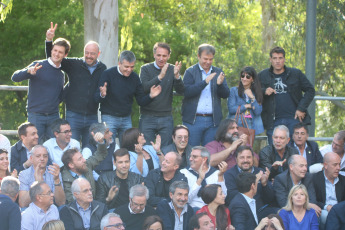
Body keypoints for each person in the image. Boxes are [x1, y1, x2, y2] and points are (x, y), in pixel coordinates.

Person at [46, 22, 107, 148]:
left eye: (92, 54)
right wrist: (49, 40)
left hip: (92, 116)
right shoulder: (74, 64)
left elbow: (99, 94)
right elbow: (53, 59)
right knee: (71, 148)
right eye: (87, 53)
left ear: (98, 54)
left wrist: (102, 95)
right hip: (73, 115)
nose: (89, 56)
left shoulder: (102, 68)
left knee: (90, 148)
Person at [12, 37, 71, 144]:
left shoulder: (61, 74)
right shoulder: (39, 65)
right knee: (35, 147)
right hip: (36, 115)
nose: (56, 54)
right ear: (51, 50)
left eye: (60, 52)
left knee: (53, 148)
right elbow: (15, 77)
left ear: (65, 55)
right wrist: (28, 72)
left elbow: (59, 97)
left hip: (53, 116)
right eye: (55, 50)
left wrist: (71, 83)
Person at [95, 50, 161, 145]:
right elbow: (96, 98)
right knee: (108, 146)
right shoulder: (108, 74)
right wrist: (102, 94)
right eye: (126, 67)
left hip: (126, 118)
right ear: (119, 63)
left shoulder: (134, 78)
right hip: (109, 117)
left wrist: (151, 96)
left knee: (129, 146)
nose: (129, 70)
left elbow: (141, 101)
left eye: (132, 67)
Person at [258, 46, 315, 144]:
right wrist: (264, 91)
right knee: (275, 151)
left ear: (284, 59)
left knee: (295, 152)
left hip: (294, 119)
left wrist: (301, 108)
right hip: (273, 121)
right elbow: (253, 91)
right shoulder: (263, 75)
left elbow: (310, 90)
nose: (277, 61)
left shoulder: (295, 73)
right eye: (275, 58)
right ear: (270, 59)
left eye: (280, 58)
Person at [182, 44, 230, 146]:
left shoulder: (218, 72)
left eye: (211, 59)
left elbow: (225, 94)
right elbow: (186, 92)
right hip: (193, 120)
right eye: (205, 59)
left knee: (210, 152)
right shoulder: (190, 71)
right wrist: (204, 82)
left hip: (213, 121)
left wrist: (220, 85)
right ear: (198, 56)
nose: (208, 62)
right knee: (192, 151)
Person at [139, 42, 184, 147]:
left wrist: (177, 76)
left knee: (166, 150)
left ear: (168, 56)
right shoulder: (145, 68)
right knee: (146, 149)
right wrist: (160, 76)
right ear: (154, 55)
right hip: (147, 117)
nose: (161, 58)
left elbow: (181, 90)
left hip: (166, 117)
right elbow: (144, 88)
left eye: (164, 56)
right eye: (158, 55)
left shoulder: (173, 69)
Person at [224, 146, 277, 220]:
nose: (245, 160)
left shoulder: (260, 172)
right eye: (242, 157)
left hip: (260, 211)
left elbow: (270, 199)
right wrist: (254, 182)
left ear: (253, 158)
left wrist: (264, 184)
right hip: (241, 211)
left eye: (248, 157)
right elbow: (231, 197)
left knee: (279, 212)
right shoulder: (229, 175)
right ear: (236, 159)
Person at [61, 131, 107, 204]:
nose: (84, 160)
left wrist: (101, 142)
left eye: (82, 157)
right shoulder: (64, 178)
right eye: (80, 159)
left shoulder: (86, 165)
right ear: (71, 165)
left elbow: (101, 154)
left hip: (94, 205)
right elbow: (71, 201)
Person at [227, 66, 264, 135]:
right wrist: (246, 106)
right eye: (242, 76)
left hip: (251, 125)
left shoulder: (256, 92)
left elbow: (258, 111)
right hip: (237, 125)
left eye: (248, 77)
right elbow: (231, 109)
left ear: (252, 79)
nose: (244, 78)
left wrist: (252, 97)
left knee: (248, 146)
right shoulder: (234, 91)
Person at [312, 152, 345, 229]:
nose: (338, 168)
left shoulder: (343, 180)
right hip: (324, 210)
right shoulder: (315, 179)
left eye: (339, 164)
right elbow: (313, 200)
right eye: (335, 165)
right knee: (324, 216)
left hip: (339, 210)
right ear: (325, 165)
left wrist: (337, 209)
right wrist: (326, 206)